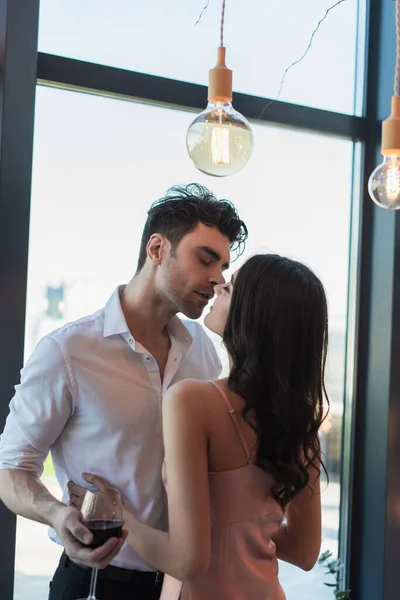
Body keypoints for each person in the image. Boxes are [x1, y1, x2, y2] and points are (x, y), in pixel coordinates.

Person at [0, 183, 248, 600]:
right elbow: (11, 470)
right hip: (94, 582)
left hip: (183, 586)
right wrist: (57, 514)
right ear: (157, 249)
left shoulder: (203, 350)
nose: (217, 278)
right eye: (206, 258)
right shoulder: (68, 351)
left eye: (223, 265)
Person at [73, 253, 329, 600]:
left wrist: (118, 514)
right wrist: (246, 529)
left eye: (232, 286)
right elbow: (304, 552)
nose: (220, 284)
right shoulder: (300, 423)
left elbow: (187, 562)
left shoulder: (193, 401)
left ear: (255, 315)